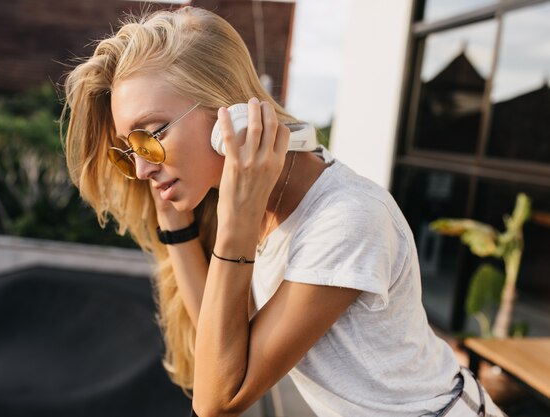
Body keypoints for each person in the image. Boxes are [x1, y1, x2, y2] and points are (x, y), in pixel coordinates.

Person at [61, 6, 505, 417]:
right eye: (128, 148)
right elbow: (223, 346)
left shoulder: (346, 218)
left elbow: (219, 400)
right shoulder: (255, 200)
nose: (140, 168)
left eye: (150, 134)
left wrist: (236, 223)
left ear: (229, 114)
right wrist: (176, 226)